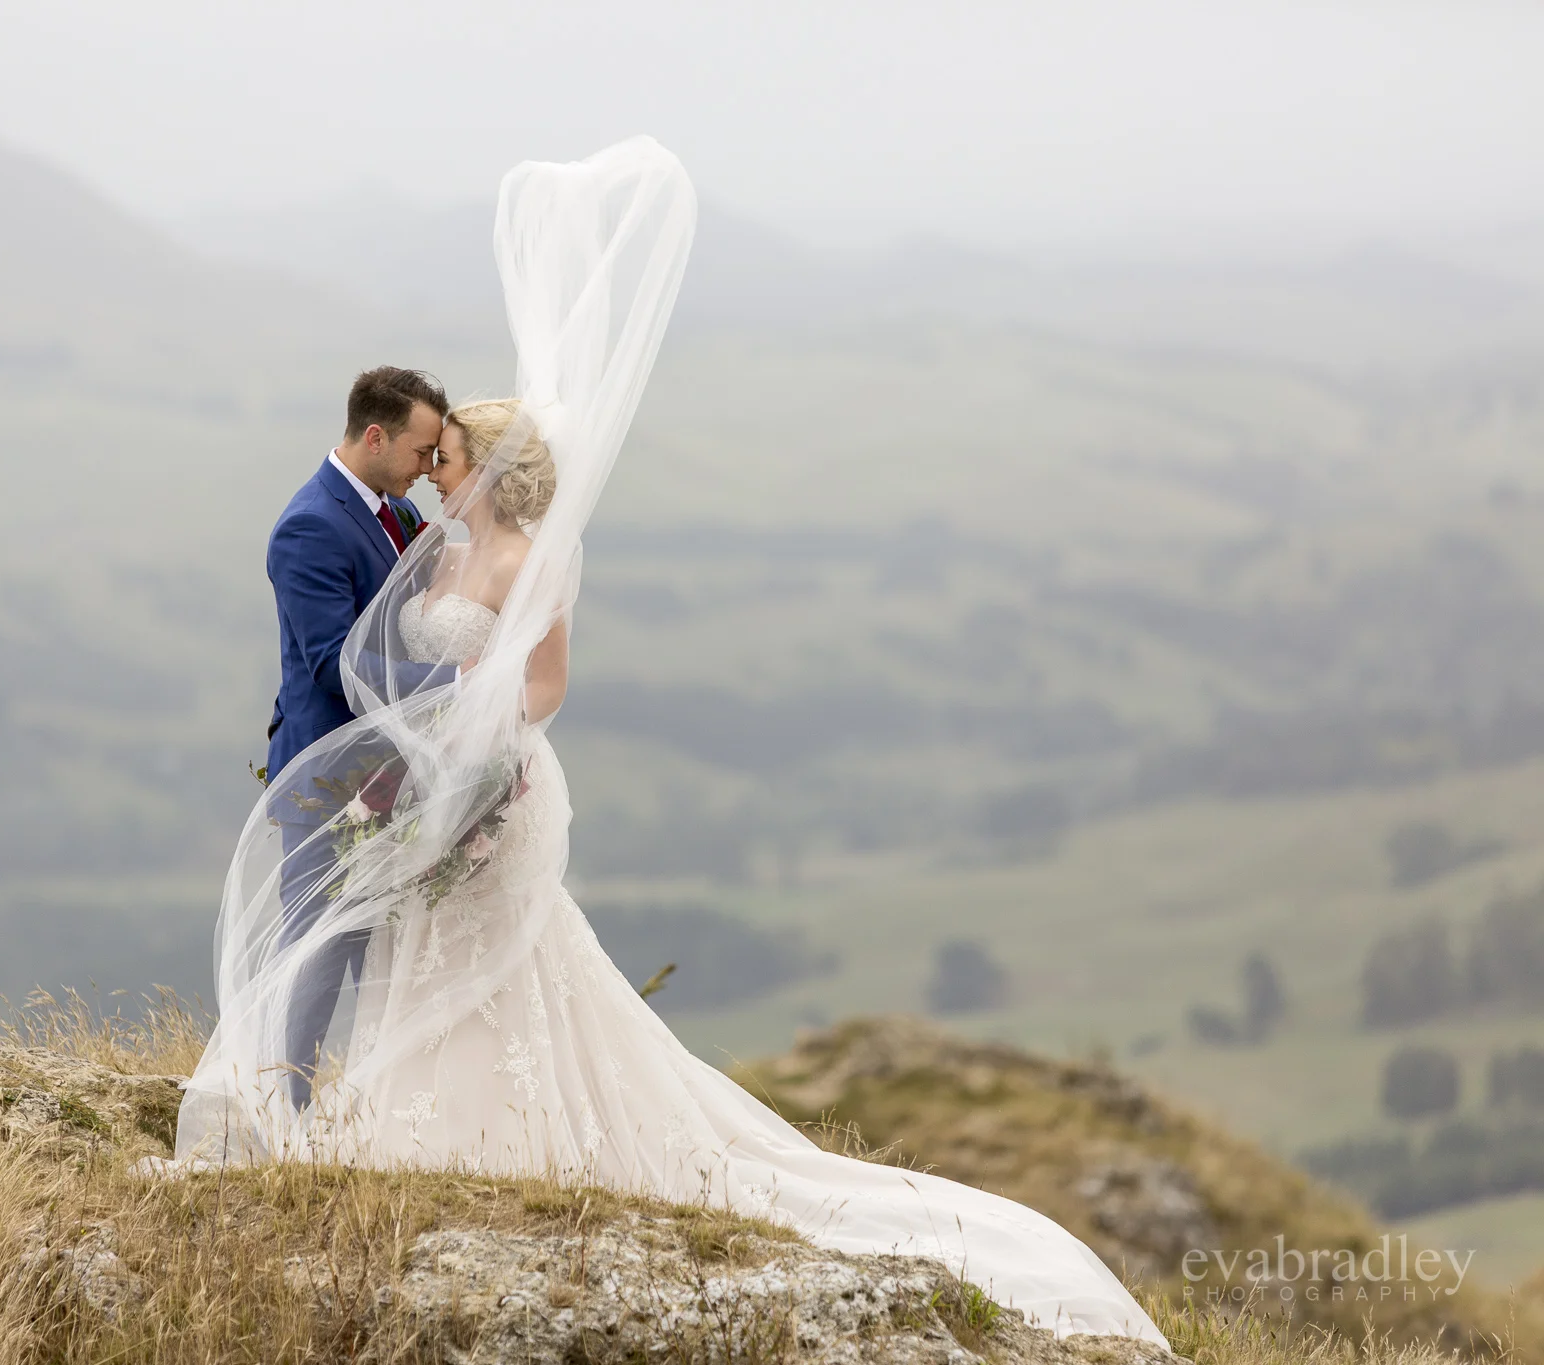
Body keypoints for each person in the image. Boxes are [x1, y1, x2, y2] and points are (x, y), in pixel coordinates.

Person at [169, 138, 1169, 1345]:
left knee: (496, 956)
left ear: (480, 465)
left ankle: (475, 1133)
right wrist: (433, 731)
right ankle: (344, 1116)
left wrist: (472, 731)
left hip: (485, 781)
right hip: (422, 772)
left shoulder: (525, 559)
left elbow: (540, 683)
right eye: (427, 454)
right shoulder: (433, 547)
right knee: (410, 949)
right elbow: (376, 656)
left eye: (447, 458)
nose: (432, 473)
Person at [263, 365, 451, 1110]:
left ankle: (373, 1104)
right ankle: (286, 1109)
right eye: (421, 451)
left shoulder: (396, 514)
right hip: (326, 776)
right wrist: (459, 681)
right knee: (315, 947)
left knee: (381, 948)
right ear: (375, 436)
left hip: (395, 776)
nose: (429, 469)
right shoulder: (310, 524)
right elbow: (336, 665)